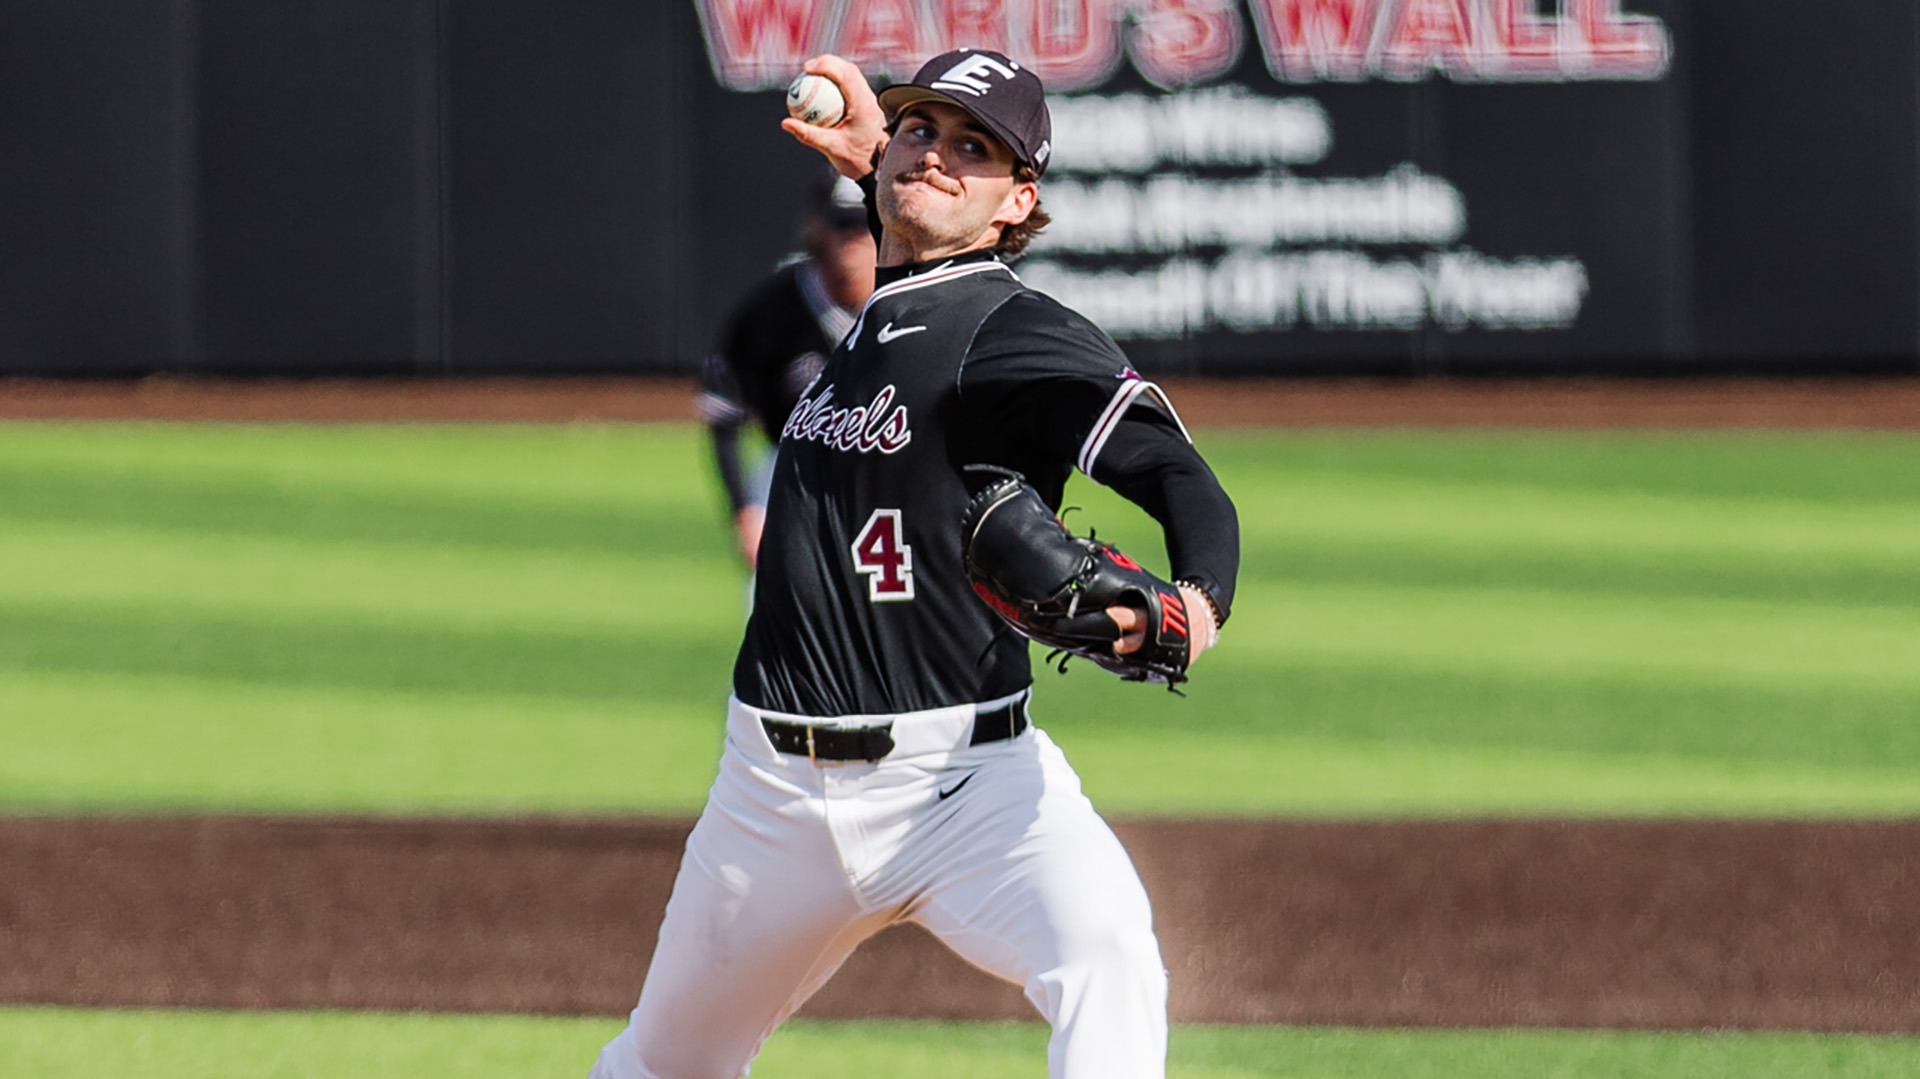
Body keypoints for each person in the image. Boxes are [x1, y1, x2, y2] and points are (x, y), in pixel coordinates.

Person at [590, 47, 1239, 1079]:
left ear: (1017, 200)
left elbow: (1174, 468)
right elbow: (911, 246)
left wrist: (1199, 603)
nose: (938, 155)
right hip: (771, 796)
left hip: (971, 784)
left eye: (974, 148)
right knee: (663, 1064)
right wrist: (873, 161)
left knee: (1109, 953)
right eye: (923, 130)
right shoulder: (888, 299)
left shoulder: (1012, 330)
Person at [697, 170, 876, 568]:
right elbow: (724, 415)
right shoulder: (770, 311)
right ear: (817, 226)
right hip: (791, 470)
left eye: (863, 224)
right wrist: (743, 510)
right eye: (840, 223)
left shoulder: (908, 303)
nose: (852, 237)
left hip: (887, 473)